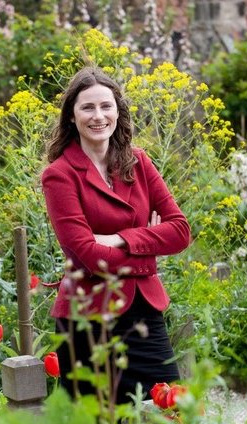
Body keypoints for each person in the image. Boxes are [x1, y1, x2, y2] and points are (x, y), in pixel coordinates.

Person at [41, 66, 191, 404]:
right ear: (71, 117)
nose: (98, 116)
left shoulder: (139, 162)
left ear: (117, 111)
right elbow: (87, 255)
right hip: (88, 321)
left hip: (144, 314)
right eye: (88, 107)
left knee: (170, 413)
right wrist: (148, 251)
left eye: (106, 106)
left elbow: (180, 231)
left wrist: (120, 239)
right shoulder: (59, 176)